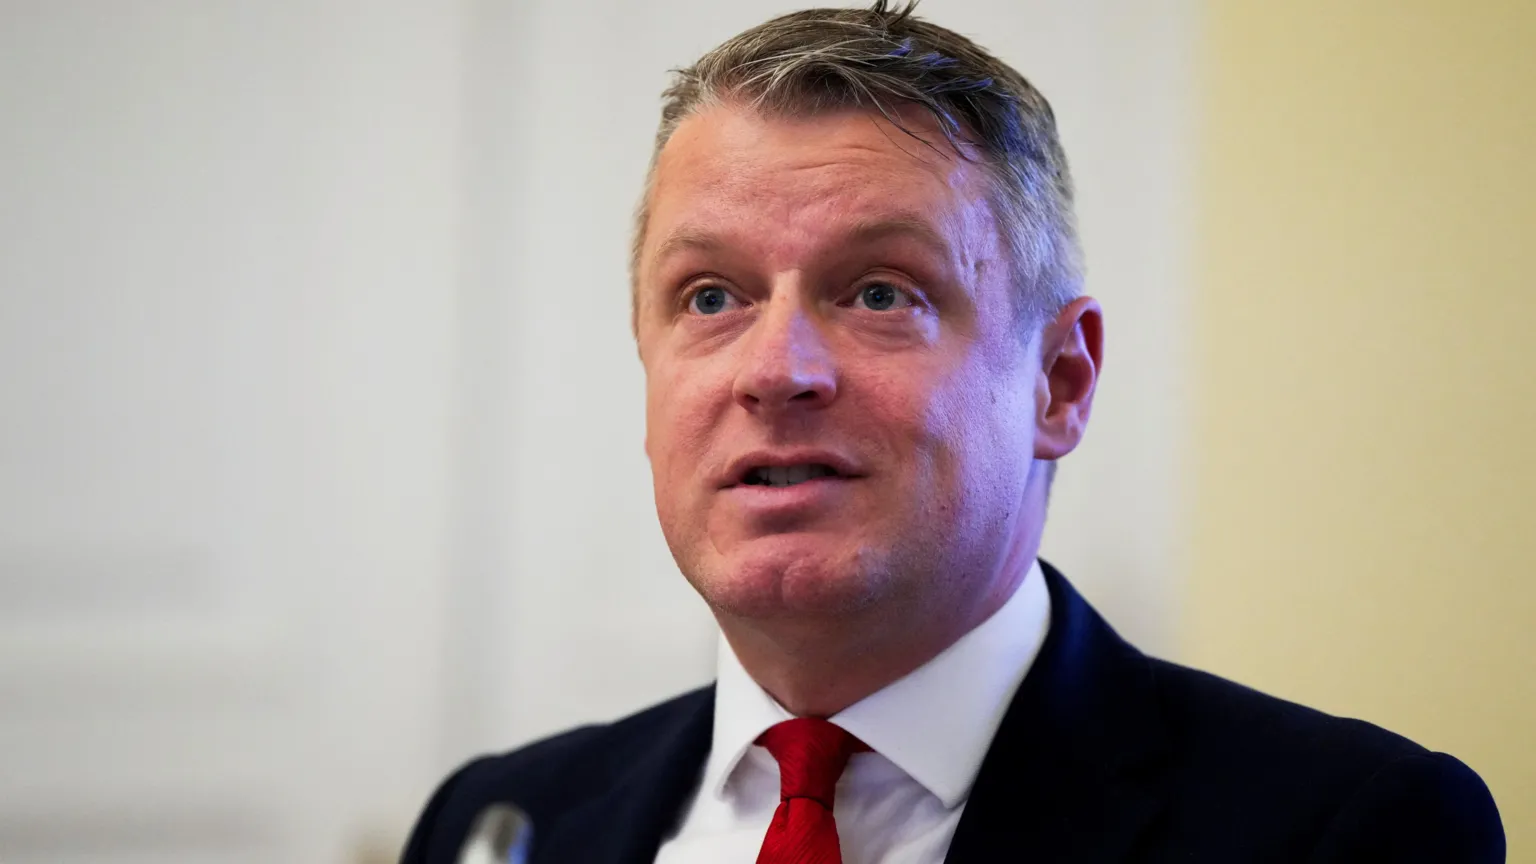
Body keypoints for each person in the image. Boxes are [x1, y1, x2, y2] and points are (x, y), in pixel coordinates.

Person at [402, 3, 1504, 862]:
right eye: (709, 297)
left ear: (1060, 381)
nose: (775, 369)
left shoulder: (1348, 830)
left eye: (880, 293)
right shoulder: (499, 824)